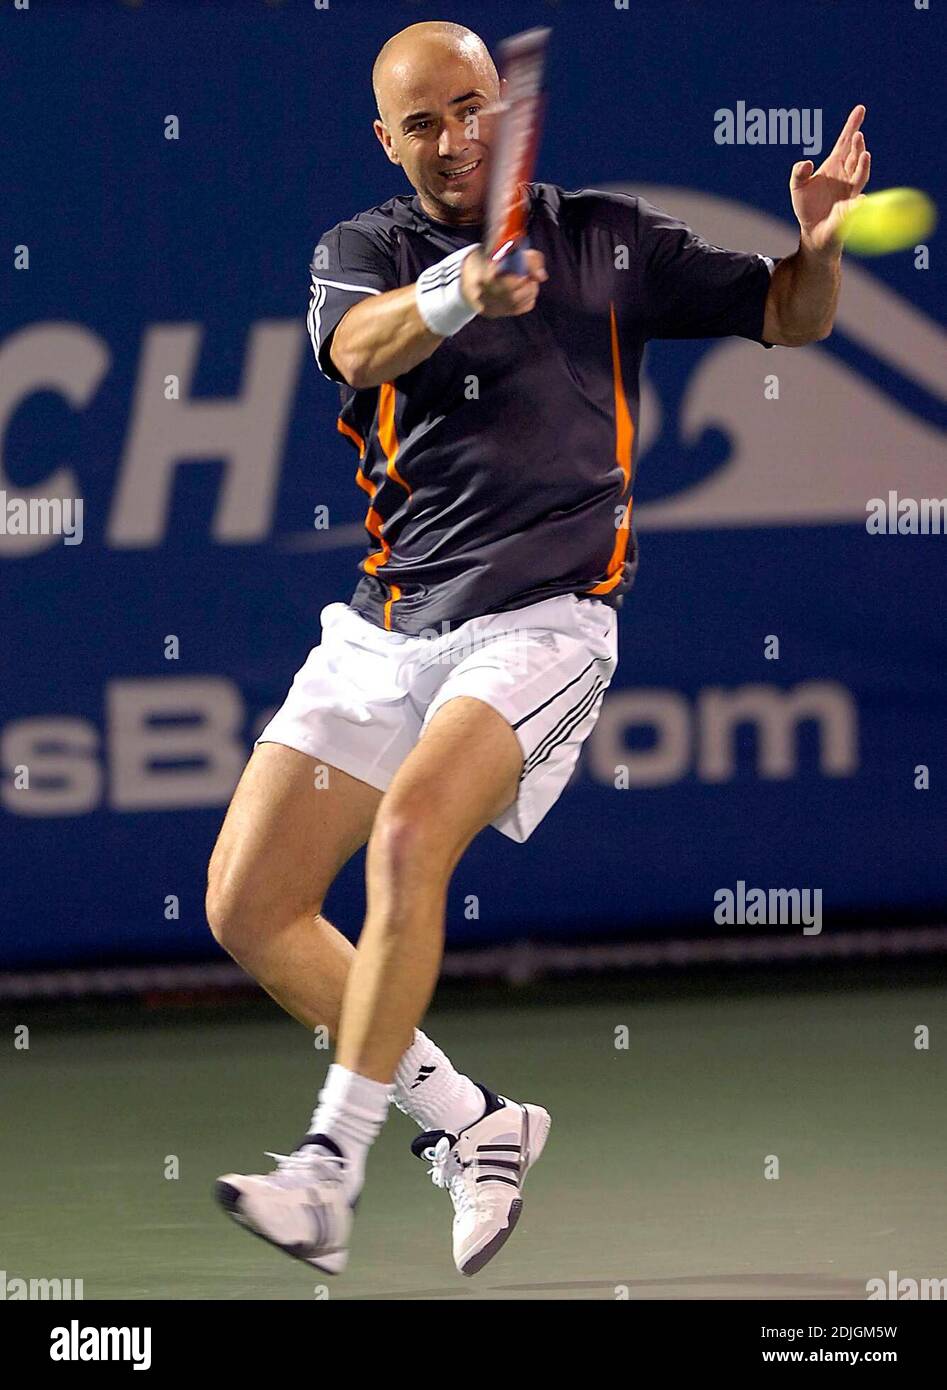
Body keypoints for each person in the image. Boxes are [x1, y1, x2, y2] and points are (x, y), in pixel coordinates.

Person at [207, 20, 870, 1277]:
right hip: (386, 623)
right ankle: (474, 1123)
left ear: (501, 116)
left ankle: (327, 1171)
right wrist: (466, 288)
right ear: (385, 139)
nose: (456, 139)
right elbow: (357, 347)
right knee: (249, 905)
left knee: (410, 835)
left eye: (472, 110)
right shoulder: (363, 253)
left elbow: (791, 315)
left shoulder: (608, 238)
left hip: (545, 620)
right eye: (422, 123)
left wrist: (819, 240)